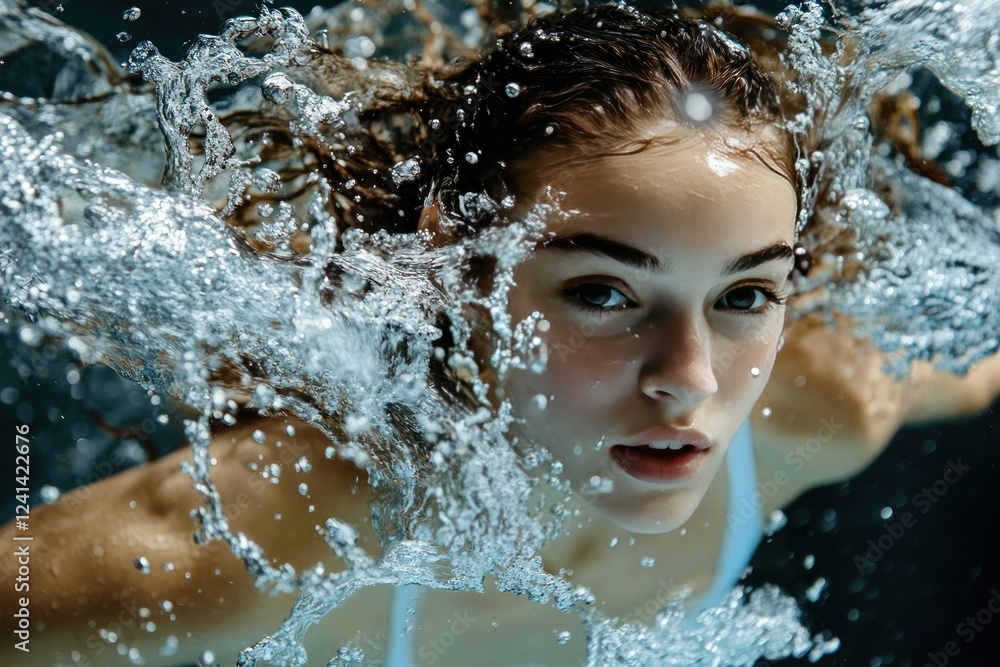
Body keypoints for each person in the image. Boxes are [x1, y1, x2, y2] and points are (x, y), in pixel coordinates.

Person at [2, 4, 999, 666]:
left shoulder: (817, 405)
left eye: (744, 297)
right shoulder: (254, 545)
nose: (689, 380)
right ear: (457, 258)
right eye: (605, 293)